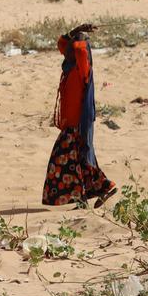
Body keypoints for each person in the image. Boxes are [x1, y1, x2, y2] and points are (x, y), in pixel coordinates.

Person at [43, 24, 116, 207]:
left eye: (71, 47)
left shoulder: (83, 67)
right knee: (78, 161)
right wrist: (75, 31)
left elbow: (79, 49)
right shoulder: (70, 66)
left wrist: (81, 36)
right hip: (71, 123)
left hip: (78, 123)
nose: (65, 51)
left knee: (64, 160)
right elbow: (62, 44)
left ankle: (102, 188)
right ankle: (89, 195)